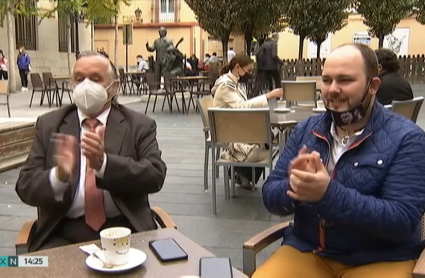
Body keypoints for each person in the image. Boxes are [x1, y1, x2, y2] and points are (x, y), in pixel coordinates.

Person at [255, 43, 425, 278]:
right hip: (309, 251)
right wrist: (295, 187)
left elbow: (401, 221)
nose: (332, 89)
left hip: (380, 258)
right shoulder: (307, 130)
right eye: (326, 80)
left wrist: (327, 194)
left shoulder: (408, 138)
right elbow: (270, 196)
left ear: (373, 85)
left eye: (345, 80)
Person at [15, 51, 167, 252]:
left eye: (95, 79)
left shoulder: (139, 125)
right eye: (79, 79)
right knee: (32, 269)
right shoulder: (49, 125)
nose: (86, 86)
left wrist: (104, 165)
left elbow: (155, 175)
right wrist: (58, 176)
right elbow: (25, 186)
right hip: (61, 232)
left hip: (126, 229)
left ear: (114, 87)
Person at [211, 54, 283, 189]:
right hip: (227, 131)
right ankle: (240, 171)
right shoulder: (226, 85)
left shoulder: (234, 83)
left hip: (235, 126)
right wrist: (268, 96)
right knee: (267, 139)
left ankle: (242, 172)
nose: (250, 74)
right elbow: (241, 107)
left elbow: (241, 106)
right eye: (248, 70)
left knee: (270, 137)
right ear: (237, 67)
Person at [251, 34, 283, 98]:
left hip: (262, 67)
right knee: (277, 81)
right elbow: (273, 55)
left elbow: (257, 54)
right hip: (272, 67)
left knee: (259, 83)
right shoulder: (274, 44)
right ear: (276, 38)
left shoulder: (263, 45)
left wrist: (259, 65)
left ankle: (253, 96)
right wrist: (280, 62)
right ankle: (277, 96)